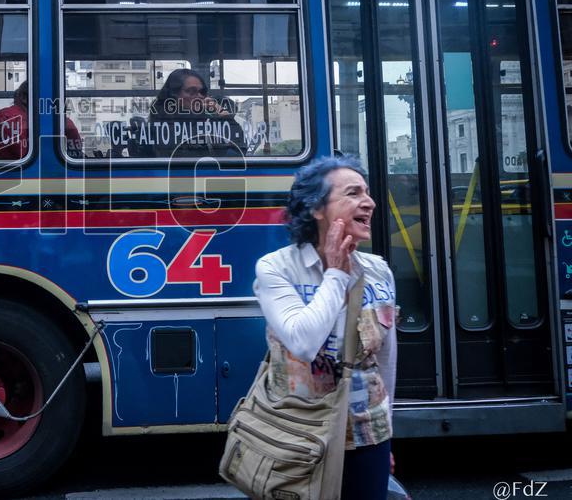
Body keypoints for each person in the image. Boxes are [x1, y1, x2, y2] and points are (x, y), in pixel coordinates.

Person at [253, 155, 397, 500]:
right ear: (318, 209)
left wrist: (387, 431)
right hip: (295, 433)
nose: (369, 202)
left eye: (367, 192)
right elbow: (302, 342)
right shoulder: (276, 268)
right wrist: (335, 274)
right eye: (353, 193)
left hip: (366, 432)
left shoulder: (378, 271)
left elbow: (387, 360)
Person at [148, 68, 245, 156]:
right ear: (174, 95)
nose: (200, 96)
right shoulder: (161, 124)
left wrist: (222, 113)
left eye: (202, 92)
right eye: (191, 91)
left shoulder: (209, 122)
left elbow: (240, 149)